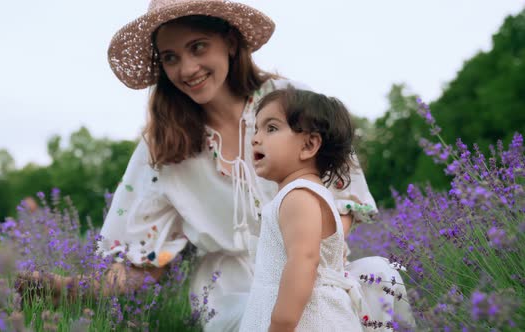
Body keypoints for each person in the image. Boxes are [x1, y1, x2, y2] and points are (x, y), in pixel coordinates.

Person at [21, 0, 413, 330]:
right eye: (170, 58)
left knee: (382, 276)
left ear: (228, 40)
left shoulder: (281, 103)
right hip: (229, 291)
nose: (186, 69)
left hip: (313, 267)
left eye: (198, 47)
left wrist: (303, 258)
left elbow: (345, 199)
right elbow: (144, 263)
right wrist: (68, 287)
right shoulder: (162, 145)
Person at [240, 87, 369, 331]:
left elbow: (304, 260)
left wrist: (280, 325)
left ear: (309, 145)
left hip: (306, 322)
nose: (255, 138)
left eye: (271, 128)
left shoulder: (298, 196)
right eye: (256, 129)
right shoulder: (308, 194)